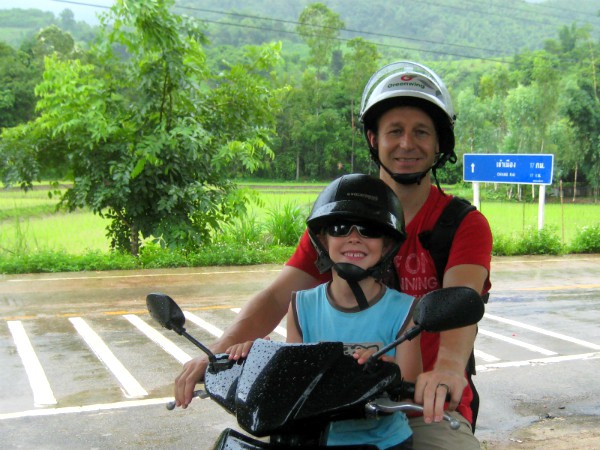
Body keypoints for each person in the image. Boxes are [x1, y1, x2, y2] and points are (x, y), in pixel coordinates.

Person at [174, 61, 492, 450]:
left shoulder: (462, 224)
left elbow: (462, 301)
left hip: (417, 405)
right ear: (373, 139)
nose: (407, 143)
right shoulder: (342, 222)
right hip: (328, 409)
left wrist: (446, 369)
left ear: (440, 143)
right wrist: (218, 355)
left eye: (421, 132)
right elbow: (278, 296)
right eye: (395, 131)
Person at [227, 173, 421, 449]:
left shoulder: (404, 310)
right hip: (314, 439)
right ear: (322, 239)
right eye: (341, 227)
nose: (354, 238)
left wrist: (387, 374)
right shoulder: (301, 306)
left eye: (369, 230)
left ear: (387, 243)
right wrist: (260, 357)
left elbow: (412, 395)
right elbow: (293, 381)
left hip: (383, 442)